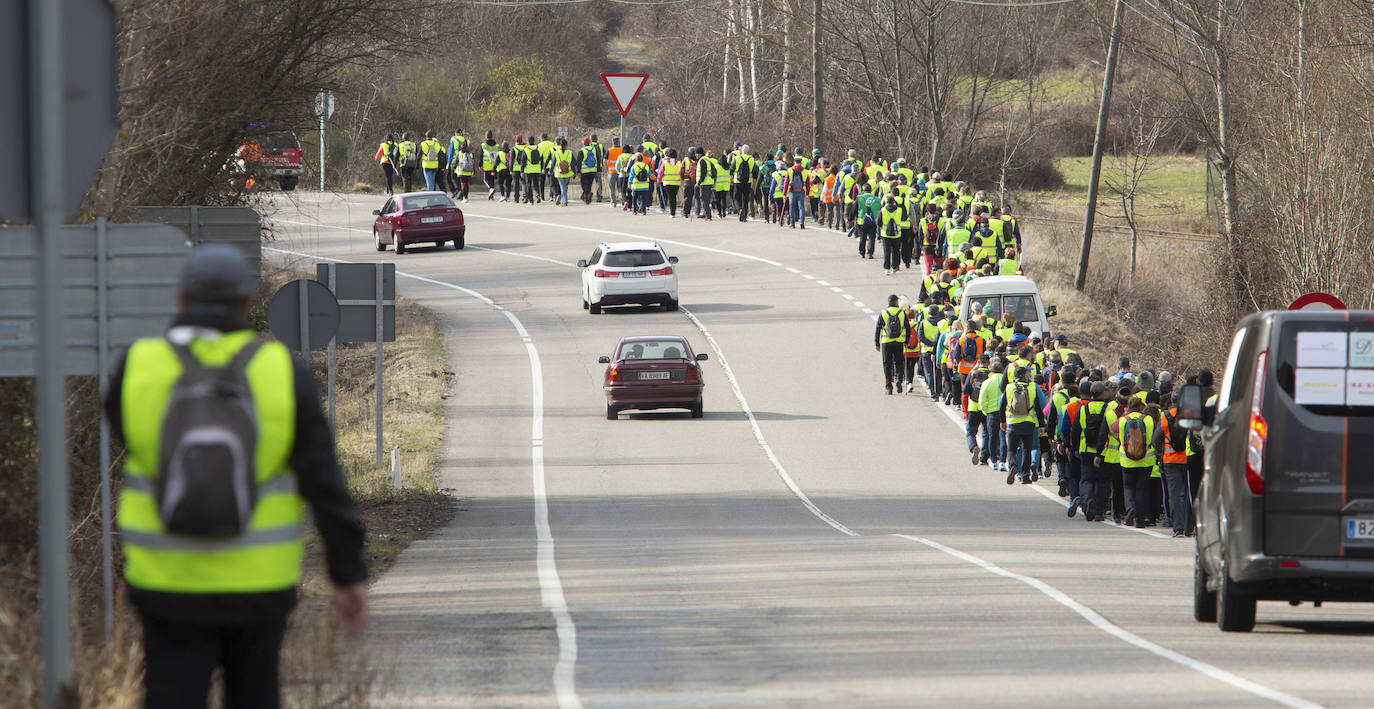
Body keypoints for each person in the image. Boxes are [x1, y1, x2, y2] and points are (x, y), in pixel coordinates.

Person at [106, 244, 368, 709]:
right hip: (259, 584)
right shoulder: (280, 370)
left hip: (167, 581)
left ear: (181, 299)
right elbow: (323, 479)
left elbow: (124, 434)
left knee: (170, 695)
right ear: (249, 303)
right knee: (256, 694)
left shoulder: (136, 366)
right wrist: (347, 574)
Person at [1000, 365, 1048, 484]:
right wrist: (1041, 425)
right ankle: (1025, 476)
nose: (1030, 375)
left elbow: (1002, 406)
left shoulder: (1009, 387)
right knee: (1027, 449)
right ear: (1023, 375)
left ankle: (1013, 466)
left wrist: (1002, 421)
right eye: (1028, 373)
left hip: (1012, 423)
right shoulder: (1032, 387)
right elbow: (1037, 407)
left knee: (1011, 449)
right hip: (1028, 423)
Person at [1113, 397, 1156, 528]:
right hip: (1146, 460)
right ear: (1141, 407)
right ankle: (1140, 520)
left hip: (1127, 460)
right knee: (1142, 489)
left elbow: (1113, 428)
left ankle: (1130, 508)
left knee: (1128, 487)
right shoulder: (1149, 420)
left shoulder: (1123, 420)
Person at [1072, 381, 1111, 520]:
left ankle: (1088, 500)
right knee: (1102, 481)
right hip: (1103, 451)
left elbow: (1076, 430)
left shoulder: (1083, 409)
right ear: (1103, 393)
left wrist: (1075, 447)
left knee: (1086, 479)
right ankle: (1100, 511)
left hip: (1085, 448)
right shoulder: (1108, 408)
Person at [1157, 394, 1194, 537]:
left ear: (1171, 401)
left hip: (1170, 460)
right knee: (1188, 493)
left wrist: (1160, 454)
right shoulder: (1190, 415)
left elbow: (1156, 438)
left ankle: (1177, 527)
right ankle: (1189, 527)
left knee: (1174, 494)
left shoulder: (1165, 416)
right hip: (1188, 459)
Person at [875, 294, 909, 395]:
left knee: (887, 364)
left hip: (886, 342)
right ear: (896, 302)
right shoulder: (902, 313)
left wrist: (877, 343)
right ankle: (899, 380)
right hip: (899, 342)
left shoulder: (883, 313)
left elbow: (878, 328)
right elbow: (907, 328)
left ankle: (888, 386)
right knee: (899, 363)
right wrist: (906, 341)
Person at [978, 360, 1007, 468]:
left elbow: (982, 400)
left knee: (992, 437)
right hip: (1004, 412)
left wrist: (986, 411)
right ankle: (1003, 461)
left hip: (991, 412)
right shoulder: (1006, 382)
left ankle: (993, 460)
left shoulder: (987, 382)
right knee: (1003, 436)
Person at [879, 196, 904, 275]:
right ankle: (894, 267)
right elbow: (904, 218)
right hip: (897, 234)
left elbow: (879, 222)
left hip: (885, 234)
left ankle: (887, 269)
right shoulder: (899, 210)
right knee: (896, 251)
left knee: (887, 251)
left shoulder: (883, 210)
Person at [855, 184, 879, 259]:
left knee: (863, 237)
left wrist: (850, 218)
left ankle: (862, 252)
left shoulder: (859, 198)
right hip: (873, 220)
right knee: (872, 237)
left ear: (863, 190)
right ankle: (870, 253)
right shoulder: (877, 199)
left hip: (862, 221)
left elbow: (854, 209)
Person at [658, 148, 684, 217]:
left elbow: (661, 172)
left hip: (667, 183)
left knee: (670, 197)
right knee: (674, 197)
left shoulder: (665, 162)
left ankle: (672, 213)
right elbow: (681, 172)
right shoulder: (679, 163)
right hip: (676, 183)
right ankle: (673, 211)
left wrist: (659, 180)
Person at [551, 137, 574, 206]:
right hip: (568, 172)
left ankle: (564, 201)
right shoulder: (570, 153)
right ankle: (564, 199)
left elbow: (553, 163)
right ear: (566, 145)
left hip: (559, 173)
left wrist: (550, 170)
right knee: (564, 187)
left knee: (563, 187)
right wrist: (575, 172)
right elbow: (572, 164)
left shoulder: (556, 153)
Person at [579, 137, 599, 204]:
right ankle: (587, 199)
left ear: (584, 143)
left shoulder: (582, 150)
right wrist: (599, 170)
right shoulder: (594, 149)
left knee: (584, 185)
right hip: (593, 170)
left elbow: (579, 162)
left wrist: (578, 172)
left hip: (584, 171)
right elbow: (598, 159)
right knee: (589, 185)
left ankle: (588, 194)